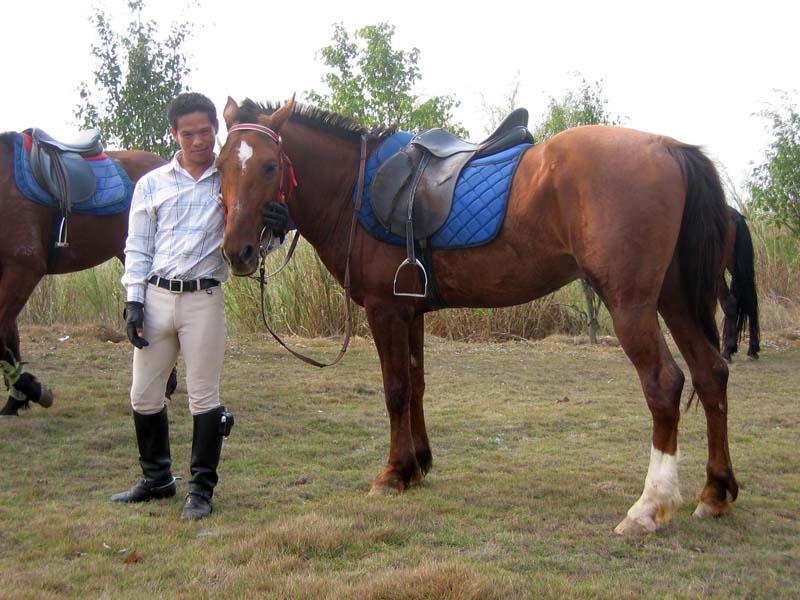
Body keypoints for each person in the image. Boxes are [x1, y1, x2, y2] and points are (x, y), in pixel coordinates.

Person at [112, 92, 290, 520]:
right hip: (156, 296)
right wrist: (133, 302)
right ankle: (157, 479)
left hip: (203, 299)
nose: (197, 141)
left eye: (205, 132)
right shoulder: (152, 184)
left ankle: (200, 490)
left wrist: (278, 230)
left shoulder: (227, 177)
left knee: (203, 395)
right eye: (187, 133)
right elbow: (137, 247)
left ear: (216, 130)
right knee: (144, 394)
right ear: (174, 134)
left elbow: (254, 237)